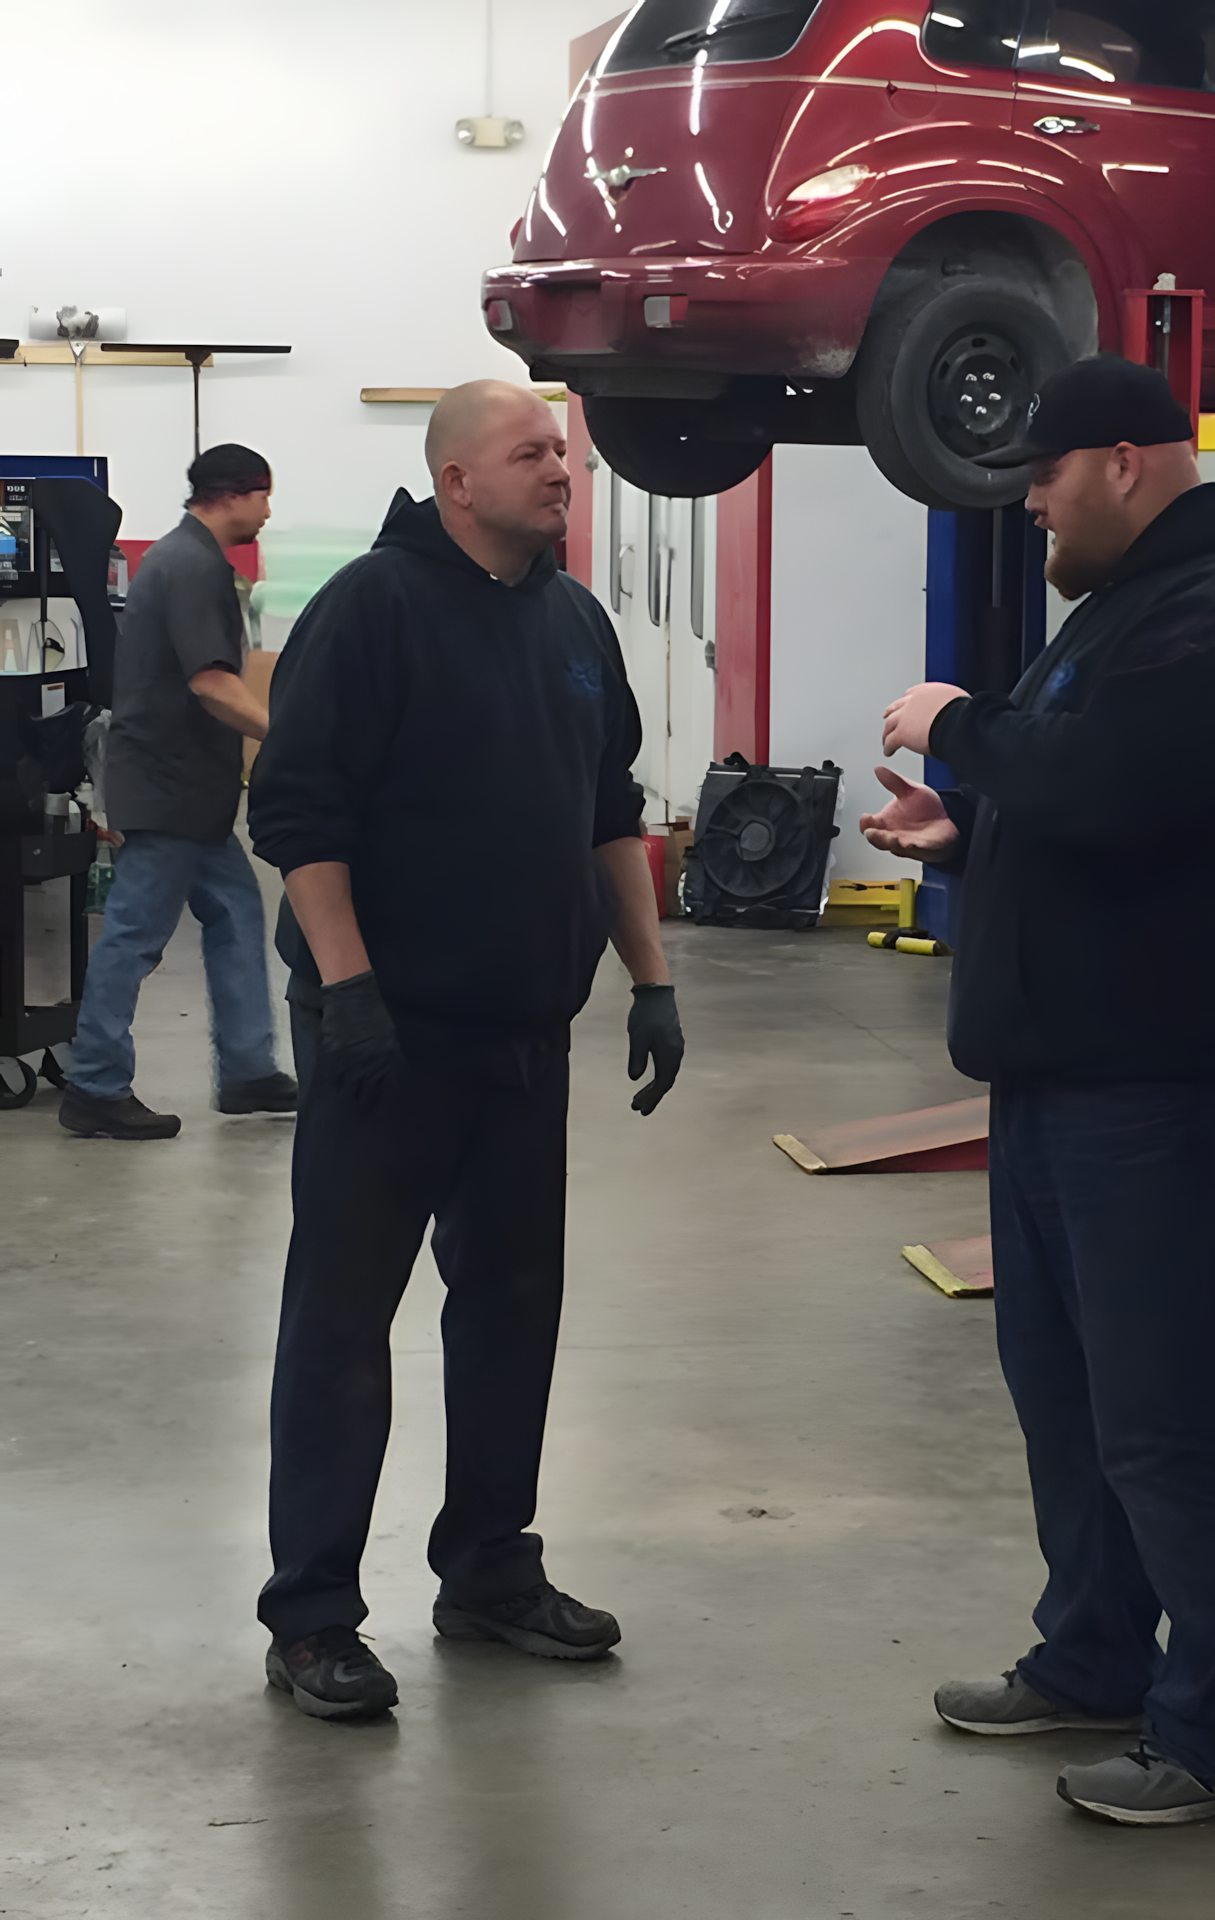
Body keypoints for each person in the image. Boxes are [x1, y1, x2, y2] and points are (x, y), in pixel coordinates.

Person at [862, 357, 1215, 1826]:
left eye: (1047, 478)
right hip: (1066, 1081)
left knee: (1173, 1415)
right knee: (1071, 1401)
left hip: (1162, 1087)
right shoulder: (1125, 611)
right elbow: (1087, 798)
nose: (1036, 507)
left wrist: (955, 725)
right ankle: (1096, 1654)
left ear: (1125, 462)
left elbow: (1119, 785)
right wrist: (969, 823)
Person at [245, 379, 684, 1721]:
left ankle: (490, 1566)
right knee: (343, 1322)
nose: (560, 471)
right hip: (389, 1038)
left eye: (562, 451)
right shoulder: (370, 614)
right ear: (455, 481)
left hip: (520, 1041)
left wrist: (650, 978)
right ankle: (314, 1613)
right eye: (530, 453)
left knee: (510, 1304)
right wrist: (352, 989)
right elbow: (299, 816)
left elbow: (608, 808)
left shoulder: (568, 620)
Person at [60, 445, 297, 1140]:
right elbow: (213, 682)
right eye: (265, 496)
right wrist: (289, 738)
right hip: (167, 787)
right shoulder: (192, 565)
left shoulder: (180, 556)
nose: (269, 511)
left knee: (235, 914)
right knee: (133, 935)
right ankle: (96, 1085)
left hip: (190, 790)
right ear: (239, 493)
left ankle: (250, 1070)